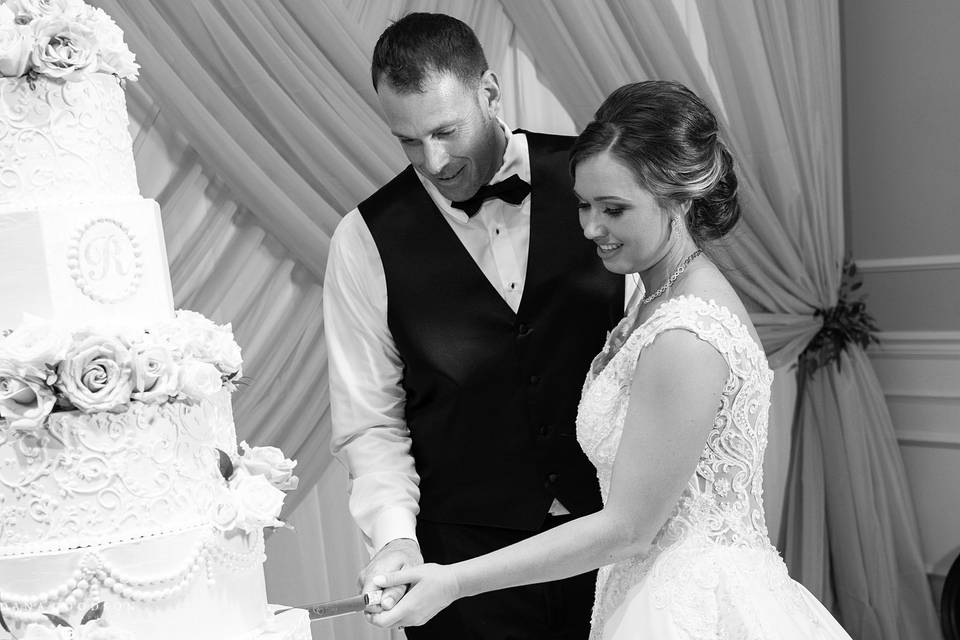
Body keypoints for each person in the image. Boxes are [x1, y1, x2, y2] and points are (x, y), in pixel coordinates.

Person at [365, 80, 855, 640]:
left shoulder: (687, 333)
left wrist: (454, 582)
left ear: (680, 198)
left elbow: (628, 529)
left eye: (614, 209)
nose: (590, 228)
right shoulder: (656, 296)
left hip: (691, 607)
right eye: (583, 204)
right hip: (642, 592)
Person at [323, 12, 624, 639]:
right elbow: (371, 421)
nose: (432, 161)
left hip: (611, 543)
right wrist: (394, 538)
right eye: (407, 141)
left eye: (445, 131)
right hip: (457, 570)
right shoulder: (363, 240)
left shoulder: (596, 184)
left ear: (489, 92)